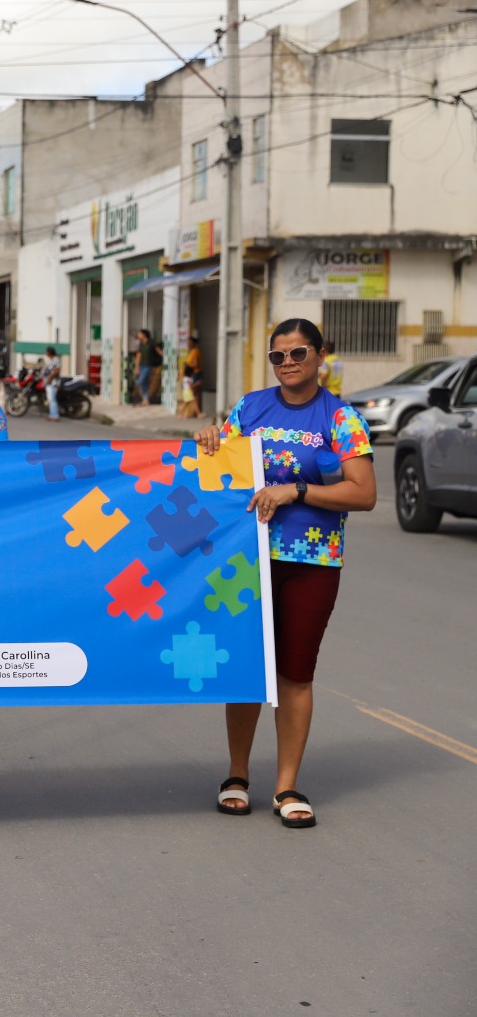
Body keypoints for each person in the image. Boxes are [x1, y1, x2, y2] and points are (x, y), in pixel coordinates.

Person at [192, 319, 374, 828]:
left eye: (298, 353)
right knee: (249, 668)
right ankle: (236, 775)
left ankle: (287, 785)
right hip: (245, 557)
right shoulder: (250, 408)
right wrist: (208, 439)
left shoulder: (340, 417)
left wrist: (295, 490)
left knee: (295, 672)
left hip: (312, 562)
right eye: (278, 356)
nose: (288, 363)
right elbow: (214, 466)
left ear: (320, 356)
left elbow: (363, 492)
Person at [180, 336, 204, 418]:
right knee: (193, 397)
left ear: (193, 342)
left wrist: (188, 365)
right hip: (192, 375)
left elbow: (195, 364)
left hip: (196, 374)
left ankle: (197, 412)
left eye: (189, 342)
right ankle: (195, 412)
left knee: (196, 394)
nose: (188, 343)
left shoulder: (195, 351)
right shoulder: (191, 351)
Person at [41, 346, 61, 420]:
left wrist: (50, 377)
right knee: (50, 399)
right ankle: (52, 415)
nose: (46, 353)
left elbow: (57, 370)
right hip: (49, 383)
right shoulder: (50, 360)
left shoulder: (56, 360)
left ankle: (55, 416)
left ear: (50, 352)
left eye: (47, 351)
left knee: (52, 399)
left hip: (53, 382)